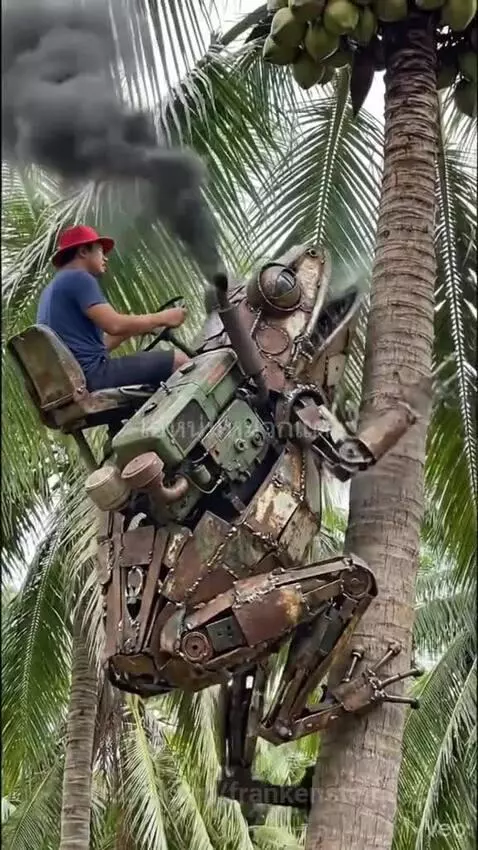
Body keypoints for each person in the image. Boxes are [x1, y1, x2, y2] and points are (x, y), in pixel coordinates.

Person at [37, 224, 190, 391]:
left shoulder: (51, 290)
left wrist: (144, 327)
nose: (106, 258)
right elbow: (114, 325)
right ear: (83, 251)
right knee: (179, 361)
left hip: (77, 383)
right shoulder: (79, 278)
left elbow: (96, 347)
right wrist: (164, 317)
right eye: (101, 251)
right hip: (93, 376)